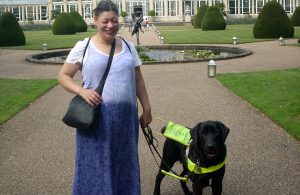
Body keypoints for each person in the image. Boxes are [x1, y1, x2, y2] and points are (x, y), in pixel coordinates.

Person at [58, 0, 152, 194]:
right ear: (95, 20)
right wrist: (82, 91)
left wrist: (147, 109)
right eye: (105, 21)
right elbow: (63, 76)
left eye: (114, 20)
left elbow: (138, 80)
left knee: (125, 160)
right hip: (96, 118)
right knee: (94, 162)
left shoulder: (127, 46)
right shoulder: (84, 47)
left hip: (126, 119)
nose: (110, 25)